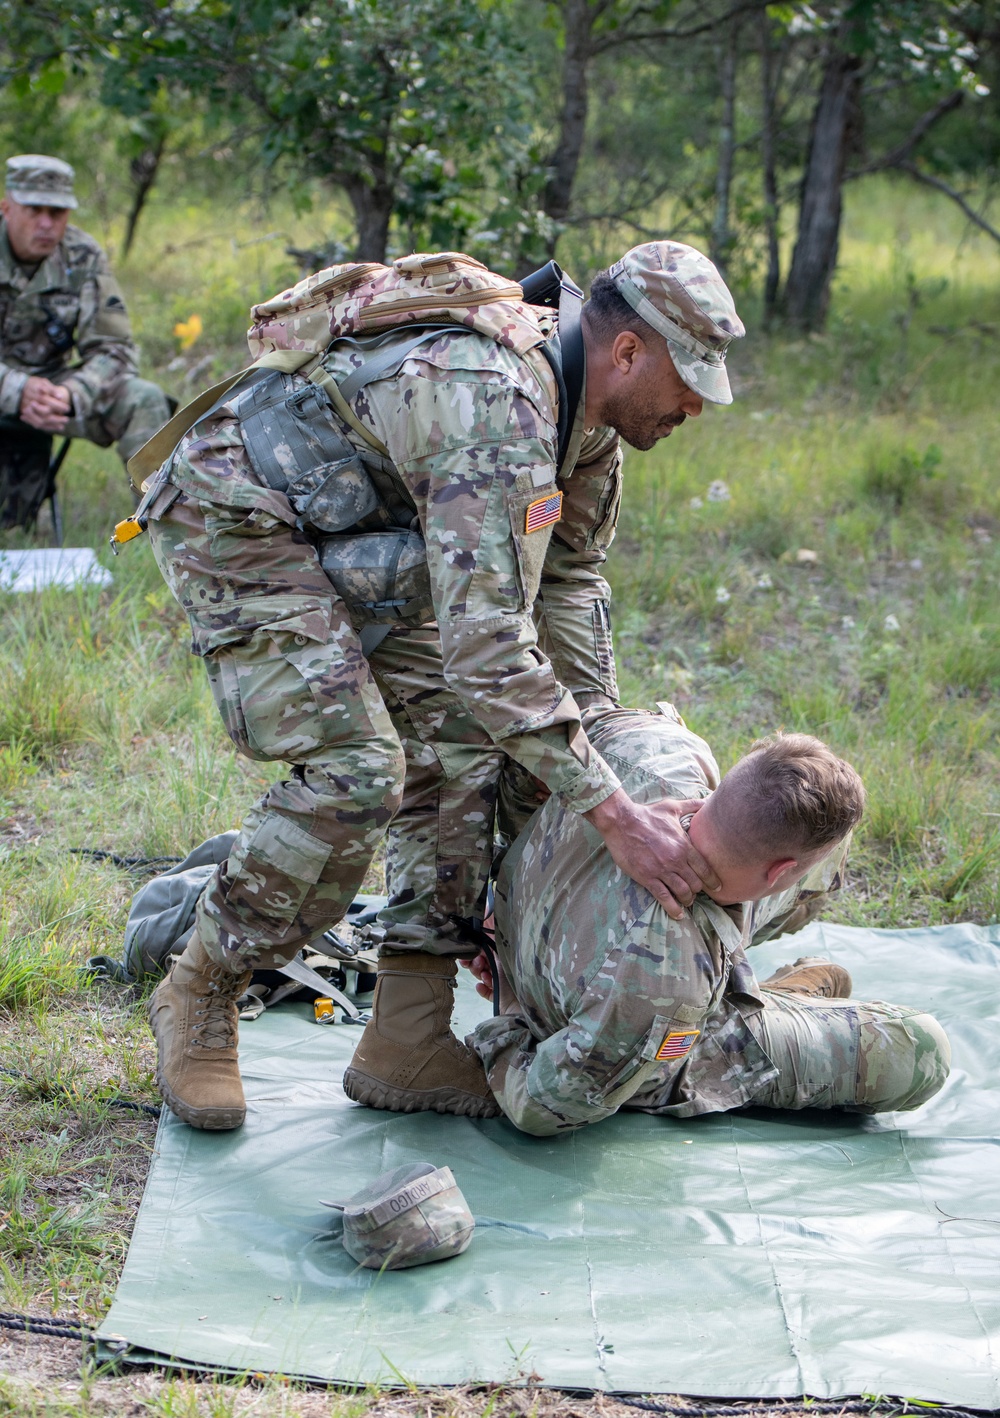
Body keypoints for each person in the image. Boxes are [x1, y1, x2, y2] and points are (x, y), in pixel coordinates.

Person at [143, 240, 747, 1132]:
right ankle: (201, 984)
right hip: (239, 518)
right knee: (358, 770)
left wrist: (598, 750)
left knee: (467, 739)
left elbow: (568, 588)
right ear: (628, 353)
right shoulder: (501, 406)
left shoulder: (590, 426)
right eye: (689, 377)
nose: (698, 402)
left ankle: (407, 1038)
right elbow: (489, 646)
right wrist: (614, 819)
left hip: (357, 533)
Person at [469, 705, 951, 1134]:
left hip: (526, 899)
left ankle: (744, 983)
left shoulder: (664, 747)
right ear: (778, 871)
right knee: (919, 1049)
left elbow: (552, 735)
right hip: (605, 1005)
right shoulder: (667, 985)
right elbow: (545, 1107)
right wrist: (510, 1005)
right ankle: (760, 1005)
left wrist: (502, 895)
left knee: (818, 869)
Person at [0, 153, 170, 524]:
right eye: (34, 210)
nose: (46, 223)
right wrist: (15, 388)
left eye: (57, 213)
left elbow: (115, 350)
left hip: (52, 391)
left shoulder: (82, 255)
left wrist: (73, 394)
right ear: (7, 207)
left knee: (143, 399)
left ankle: (161, 528)